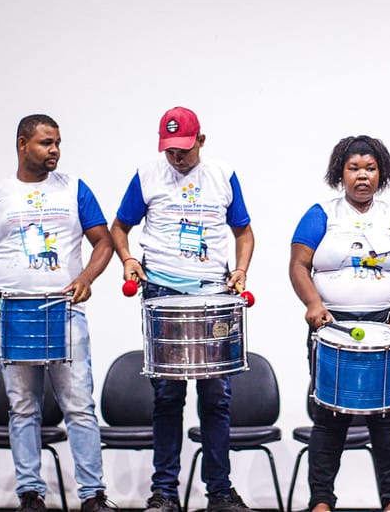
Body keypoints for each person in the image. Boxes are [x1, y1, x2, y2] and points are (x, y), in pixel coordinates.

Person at [0, 114, 116, 512]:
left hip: (63, 310)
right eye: (46, 143)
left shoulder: (75, 189)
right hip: (12, 311)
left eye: (58, 142)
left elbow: (104, 242)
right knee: (23, 406)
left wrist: (87, 278)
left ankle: (93, 495)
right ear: (22, 144)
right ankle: (30, 494)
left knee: (79, 404)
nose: (54, 150)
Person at [110, 106, 254, 512]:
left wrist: (240, 270)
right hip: (162, 291)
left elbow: (244, 232)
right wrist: (128, 259)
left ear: (201, 141)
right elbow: (119, 227)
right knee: (167, 396)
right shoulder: (147, 175)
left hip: (213, 294)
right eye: (170, 150)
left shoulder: (222, 175)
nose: (177, 158)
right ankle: (164, 494)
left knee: (217, 397)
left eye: (185, 150)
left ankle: (220, 493)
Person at [289, 135, 390, 512]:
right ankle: (321, 502)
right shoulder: (321, 214)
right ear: (341, 173)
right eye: (354, 168)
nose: (362, 176)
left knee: (388, 418)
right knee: (328, 417)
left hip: (387, 331)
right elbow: (298, 265)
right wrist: (313, 304)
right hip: (331, 330)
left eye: (370, 168)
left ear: (381, 174)